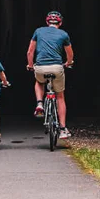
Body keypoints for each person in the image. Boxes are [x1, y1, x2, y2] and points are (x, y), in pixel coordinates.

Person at [26, 10, 74, 139]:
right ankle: (63, 129)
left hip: (41, 67)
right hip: (57, 67)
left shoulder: (38, 31)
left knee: (39, 81)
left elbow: (30, 52)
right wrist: (68, 63)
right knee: (60, 97)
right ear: (60, 22)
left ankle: (40, 103)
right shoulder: (64, 34)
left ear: (47, 22)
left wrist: (31, 65)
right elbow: (70, 54)